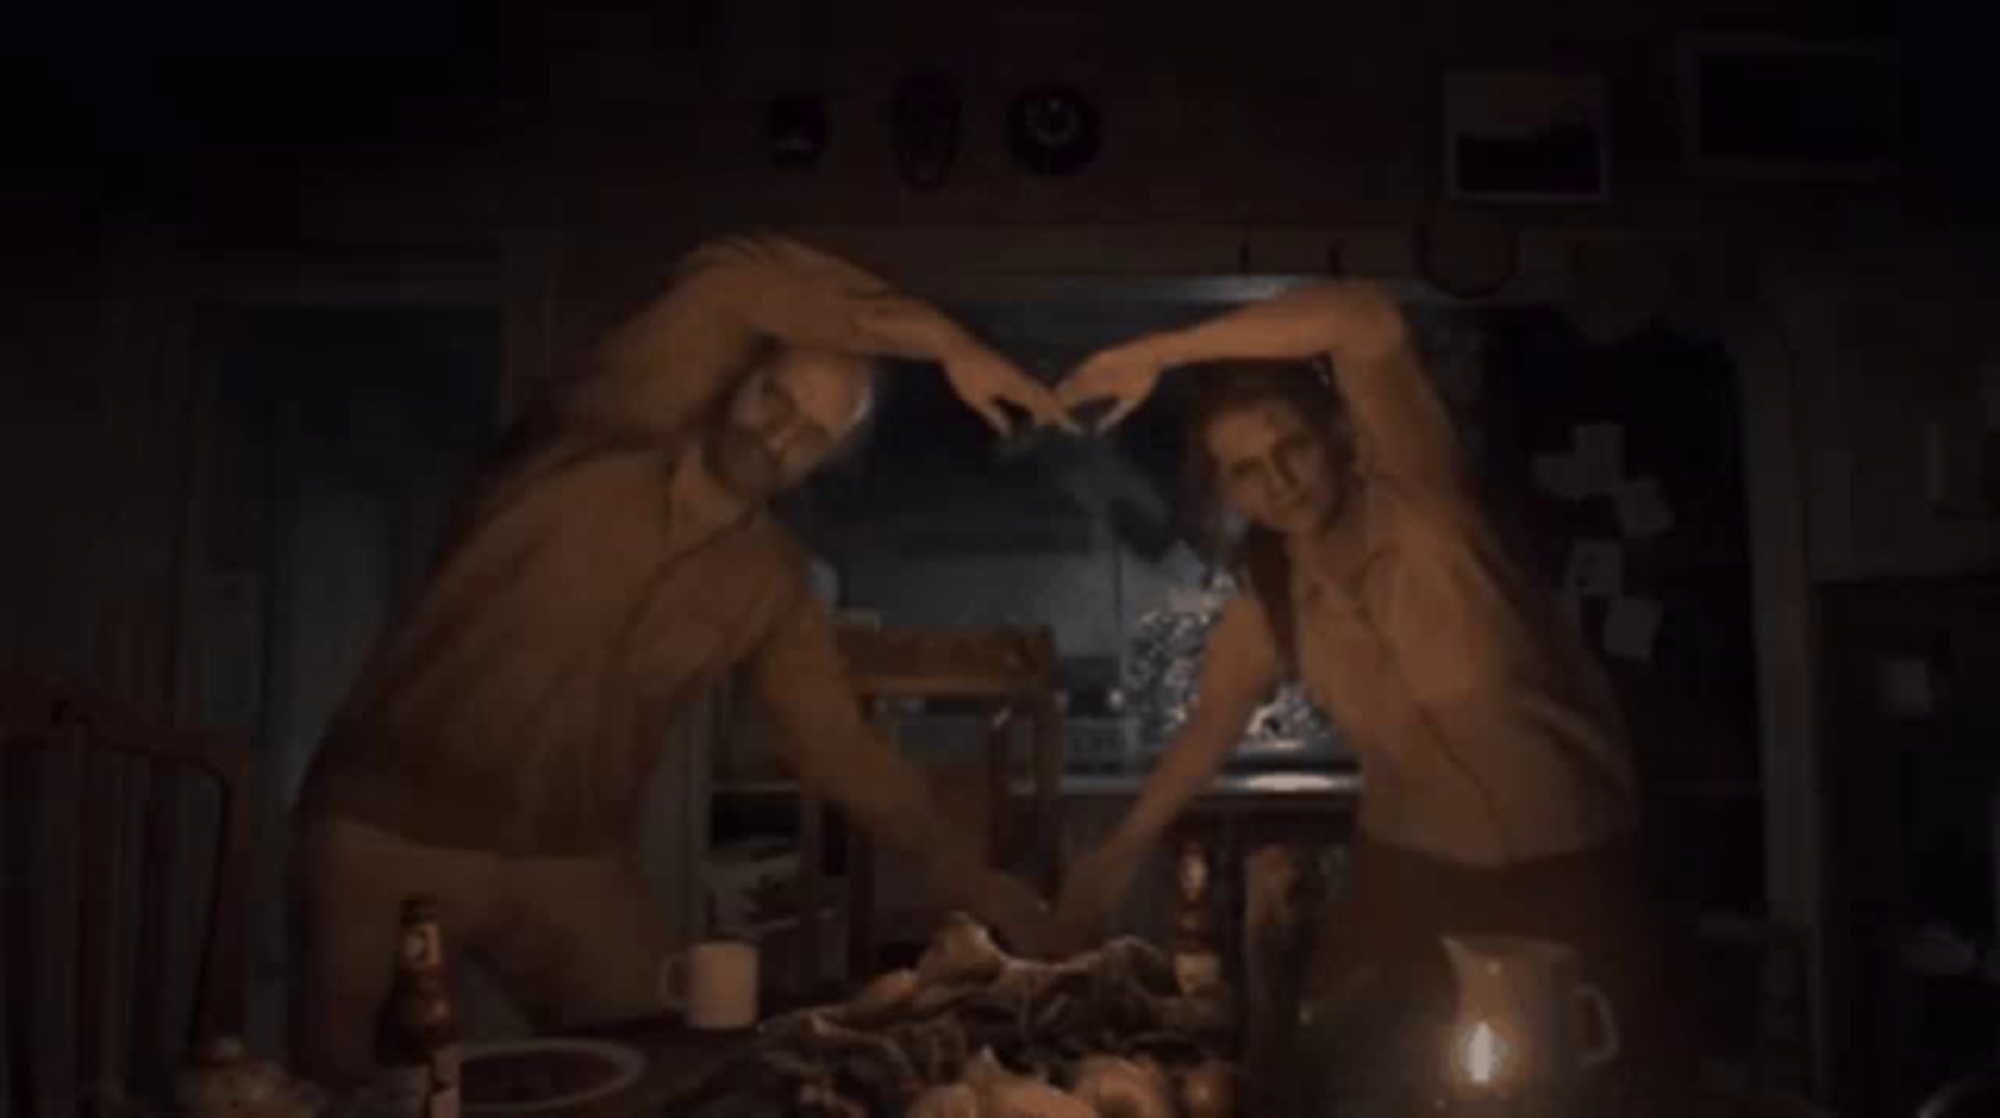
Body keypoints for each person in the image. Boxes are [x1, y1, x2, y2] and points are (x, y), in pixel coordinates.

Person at [291, 233, 1073, 1085]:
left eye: (812, 435)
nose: (780, 435)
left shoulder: (771, 580)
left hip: (570, 861)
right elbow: (727, 282)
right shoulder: (588, 443)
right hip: (386, 834)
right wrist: (945, 342)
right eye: (775, 397)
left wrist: (981, 885)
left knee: (671, 1071)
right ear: (736, 377)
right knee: (345, 1090)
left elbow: (841, 751)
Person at [1048, 280, 1690, 1105]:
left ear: (1338, 434)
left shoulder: (1426, 507)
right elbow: (1208, 729)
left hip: (1567, 871)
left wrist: (1156, 353)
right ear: (1226, 491)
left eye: (1292, 446)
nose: (1279, 481)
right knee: (1353, 1086)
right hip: (1408, 882)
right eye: (1246, 470)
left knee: (1587, 1091)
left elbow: (1362, 318)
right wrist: (1112, 858)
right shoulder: (1273, 593)